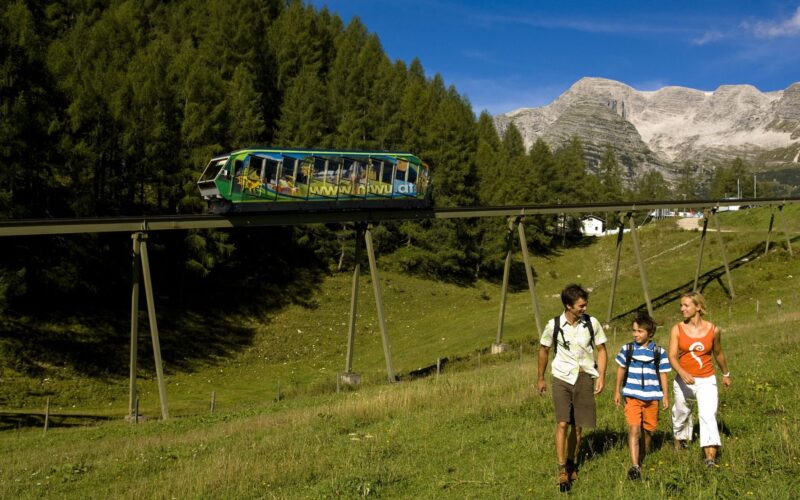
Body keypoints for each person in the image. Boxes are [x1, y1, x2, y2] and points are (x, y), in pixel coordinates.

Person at [538, 284, 608, 492]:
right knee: (562, 423)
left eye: (585, 305)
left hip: (584, 376)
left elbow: (602, 350)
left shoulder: (591, 323)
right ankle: (561, 471)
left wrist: (601, 376)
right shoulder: (554, 325)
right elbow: (543, 350)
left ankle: (570, 462)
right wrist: (540, 378)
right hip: (561, 376)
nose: (584, 308)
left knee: (578, 426)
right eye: (581, 306)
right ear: (568, 306)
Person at [669, 291, 731, 468]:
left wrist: (726, 374)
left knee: (707, 415)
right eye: (681, 305)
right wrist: (681, 372)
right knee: (681, 413)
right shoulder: (677, 329)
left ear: (698, 307)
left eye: (686, 305)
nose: (682, 309)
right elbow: (672, 356)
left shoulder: (713, 330)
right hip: (684, 380)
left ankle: (710, 458)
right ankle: (680, 443)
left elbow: (718, 353)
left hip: (706, 380)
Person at [613, 312, 671, 480]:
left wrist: (665, 396)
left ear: (650, 333)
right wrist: (617, 390)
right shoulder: (627, 349)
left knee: (648, 431)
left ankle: (641, 457)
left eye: (640, 331)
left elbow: (663, 374)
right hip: (632, 396)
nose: (635, 334)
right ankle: (635, 466)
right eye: (634, 331)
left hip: (652, 397)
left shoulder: (659, 352)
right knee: (634, 429)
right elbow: (621, 369)